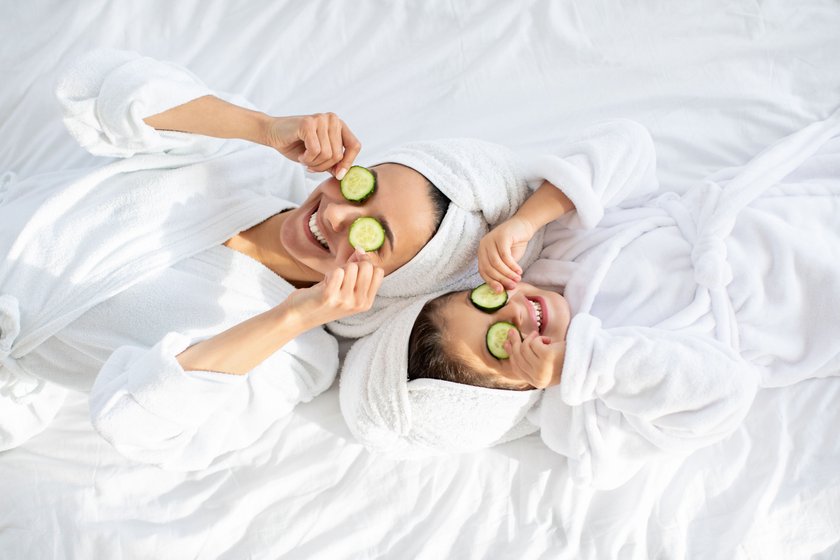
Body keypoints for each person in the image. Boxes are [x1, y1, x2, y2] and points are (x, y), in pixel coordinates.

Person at [0, 49, 534, 469]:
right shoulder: (244, 162)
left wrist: (293, 315)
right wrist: (261, 127)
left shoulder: (293, 356)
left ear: (386, 284)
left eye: (374, 238)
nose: (339, 216)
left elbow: (133, 424)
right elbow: (90, 86)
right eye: (361, 186)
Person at [338, 115, 840, 488]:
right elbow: (725, 394)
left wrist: (529, 218)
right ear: (509, 394)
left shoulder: (553, 252)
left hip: (787, 208)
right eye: (502, 346)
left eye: (485, 301)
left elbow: (629, 145)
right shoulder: (584, 414)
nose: (514, 312)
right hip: (805, 309)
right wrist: (583, 364)